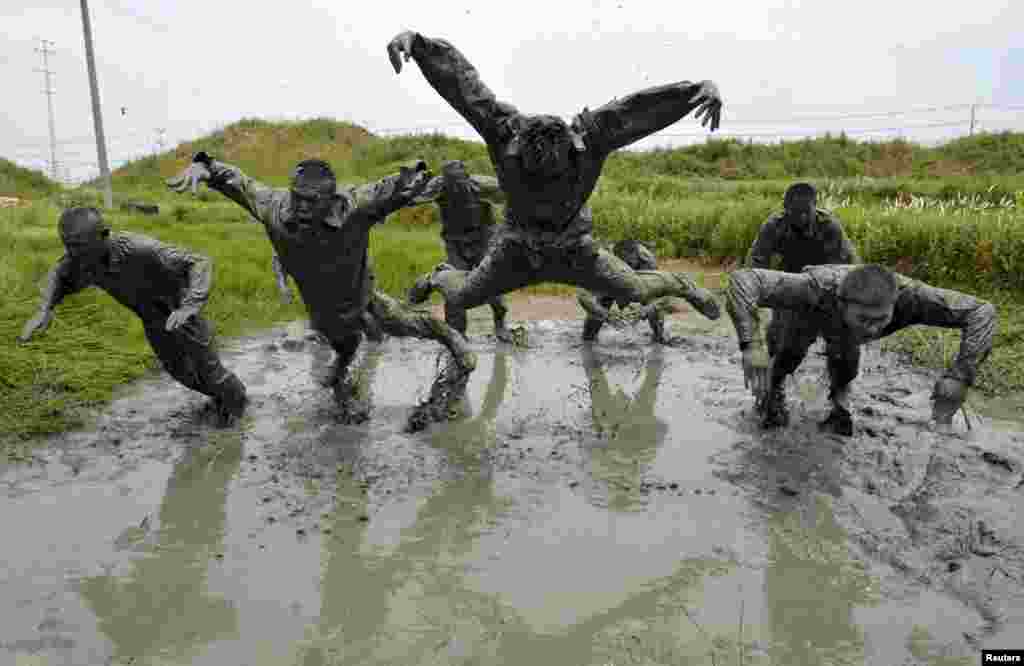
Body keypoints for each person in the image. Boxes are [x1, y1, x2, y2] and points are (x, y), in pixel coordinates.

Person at [387, 30, 723, 333]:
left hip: (575, 249)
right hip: (516, 250)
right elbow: (466, 88)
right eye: (535, 169)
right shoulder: (504, 133)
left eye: (553, 169)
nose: (544, 176)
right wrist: (419, 46)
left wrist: (694, 91)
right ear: (519, 151)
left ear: (570, 151)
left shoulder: (590, 138)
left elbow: (635, 111)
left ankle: (684, 286)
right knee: (459, 296)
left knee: (634, 289)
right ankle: (436, 275)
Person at [167, 154, 476, 424]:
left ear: (330, 199)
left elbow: (392, 188)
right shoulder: (274, 207)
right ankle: (342, 388)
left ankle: (453, 339)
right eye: (296, 197)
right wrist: (205, 166)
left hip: (359, 293)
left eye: (311, 201)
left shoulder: (354, 206)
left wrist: (413, 175)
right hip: (323, 308)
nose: (300, 207)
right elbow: (239, 182)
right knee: (343, 345)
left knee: (401, 321)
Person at [17, 207, 247, 424]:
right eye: (69, 247)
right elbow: (59, 274)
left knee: (211, 372)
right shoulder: (80, 260)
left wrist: (189, 306)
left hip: (182, 314)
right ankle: (223, 398)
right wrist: (44, 309)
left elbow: (199, 262)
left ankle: (240, 411)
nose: (74, 256)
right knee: (181, 373)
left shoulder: (141, 249)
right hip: (152, 321)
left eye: (80, 248)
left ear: (104, 235)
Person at [727, 263, 996, 435]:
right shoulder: (815, 289)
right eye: (864, 320)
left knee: (846, 363)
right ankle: (771, 400)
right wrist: (751, 345)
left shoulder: (913, 298)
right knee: (786, 359)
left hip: (845, 336)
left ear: (894, 305)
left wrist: (960, 375)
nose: (872, 329)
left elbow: (982, 311)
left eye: (880, 319)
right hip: (806, 316)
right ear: (843, 306)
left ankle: (838, 409)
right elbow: (744, 279)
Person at [746, 181, 860, 360]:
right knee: (783, 337)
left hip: (827, 279)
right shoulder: (774, 226)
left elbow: (849, 265)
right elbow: (757, 261)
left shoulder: (830, 227)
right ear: (786, 209)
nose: (802, 218)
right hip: (790, 278)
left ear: (815, 206)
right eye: (796, 212)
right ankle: (774, 365)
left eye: (807, 212)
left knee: (842, 339)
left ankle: (839, 376)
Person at [410, 159, 512, 340]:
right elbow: (412, 197)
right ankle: (457, 334)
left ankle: (500, 324)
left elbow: (510, 191)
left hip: (484, 239)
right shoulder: (438, 186)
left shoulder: (482, 184)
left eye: (460, 183)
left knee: (492, 283)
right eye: (452, 184)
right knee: (454, 287)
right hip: (455, 242)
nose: (457, 188)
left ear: (467, 178)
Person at [577, 240, 676, 344]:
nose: (626, 269)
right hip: (611, 279)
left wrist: (646, 310)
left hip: (641, 280)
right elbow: (582, 295)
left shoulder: (647, 262)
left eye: (629, 264)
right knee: (601, 304)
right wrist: (606, 315)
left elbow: (664, 297)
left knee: (652, 304)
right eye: (623, 266)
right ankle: (588, 338)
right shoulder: (602, 262)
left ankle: (659, 337)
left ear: (637, 257)